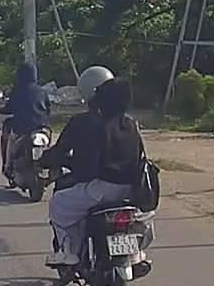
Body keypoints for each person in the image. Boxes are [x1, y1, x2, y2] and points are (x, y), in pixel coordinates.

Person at [38, 75, 145, 267]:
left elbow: (83, 165)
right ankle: (133, 251)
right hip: (130, 190)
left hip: (100, 189)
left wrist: (44, 162)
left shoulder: (90, 123)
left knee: (58, 204)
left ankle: (69, 252)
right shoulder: (131, 125)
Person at [0, 62, 51, 180]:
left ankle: (7, 165)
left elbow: (10, 108)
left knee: (9, 136)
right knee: (48, 143)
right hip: (42, 127)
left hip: (22, 128)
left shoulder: (17, 91)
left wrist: (1, 110)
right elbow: (48, 109)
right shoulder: (42, 91)